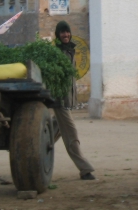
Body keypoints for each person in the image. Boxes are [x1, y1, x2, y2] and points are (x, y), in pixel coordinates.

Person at [54, 20, 96, 181]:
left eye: (67, 32)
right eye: (62, 32)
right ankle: (85, 169)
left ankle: (34, 154)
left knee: (52, 132)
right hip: (60, 102)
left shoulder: (70, 50)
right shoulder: (56, 53)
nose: (65, 35)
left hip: (67, 101)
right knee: (71, 134)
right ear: (58, 35)